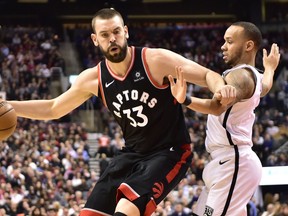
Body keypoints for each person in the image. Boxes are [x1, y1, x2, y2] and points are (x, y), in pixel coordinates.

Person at [8, 8, 236, 216]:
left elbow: (207, 75)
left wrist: (221, 88)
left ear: (126, 32)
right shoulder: (93, 78)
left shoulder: (154, 61)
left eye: (116, 31)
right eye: (105, 35)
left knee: (125, 211)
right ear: (95, 40)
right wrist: (8, 105)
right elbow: (53, 108)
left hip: (169, 151)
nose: (112, 39)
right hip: (132, 154)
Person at [168, 22, 280, 215]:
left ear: (248, 46)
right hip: (227, 162)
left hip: (233, 161)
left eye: (229, 41)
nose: (223, 46)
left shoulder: (242, 77)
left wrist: (184, 99)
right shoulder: (253, 77)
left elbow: (216, 108)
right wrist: (269, 68)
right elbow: (266, 86)